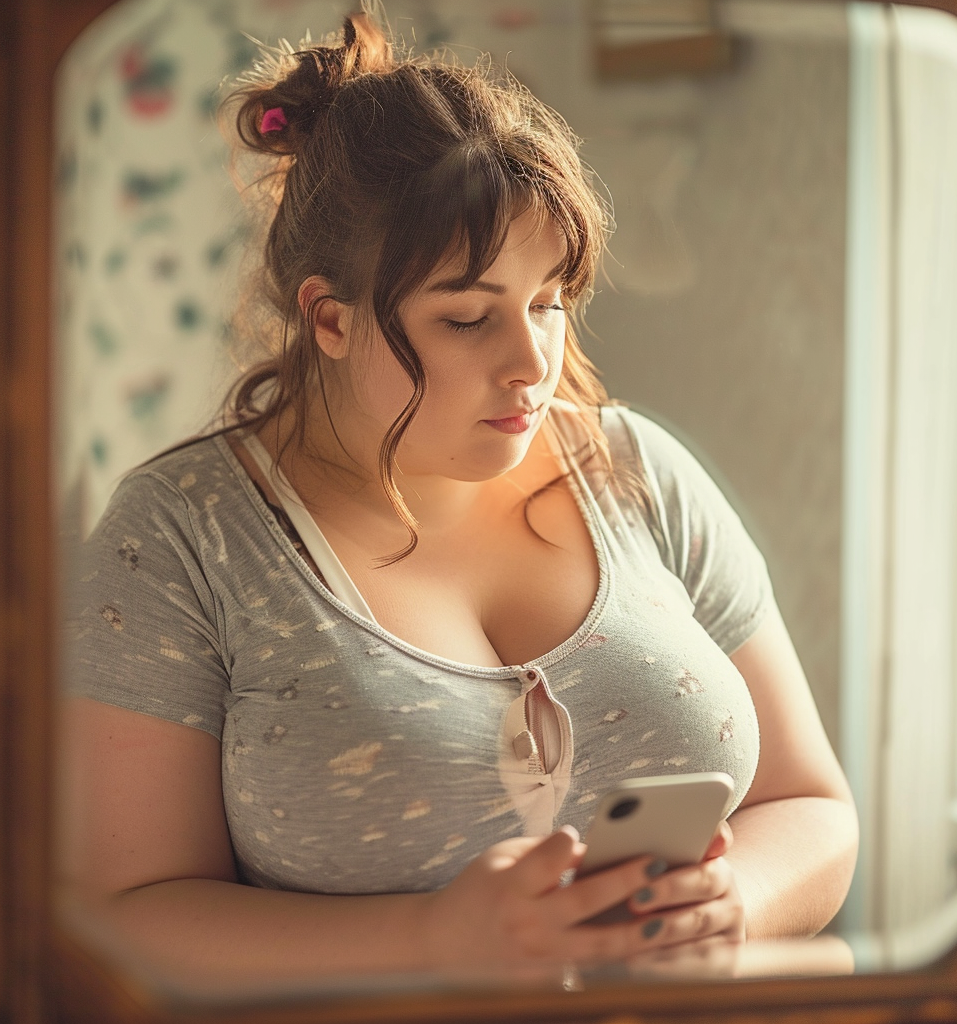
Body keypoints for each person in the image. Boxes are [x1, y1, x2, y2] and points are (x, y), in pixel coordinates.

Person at [61, 8, 858, 984]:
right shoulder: (179, 537)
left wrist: (740, 903)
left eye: (548, 303)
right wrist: (433, 942)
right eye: (469, 317)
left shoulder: (636, 472)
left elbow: (815, 809)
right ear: (329, 317)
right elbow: (121, 918)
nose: (531, 363)